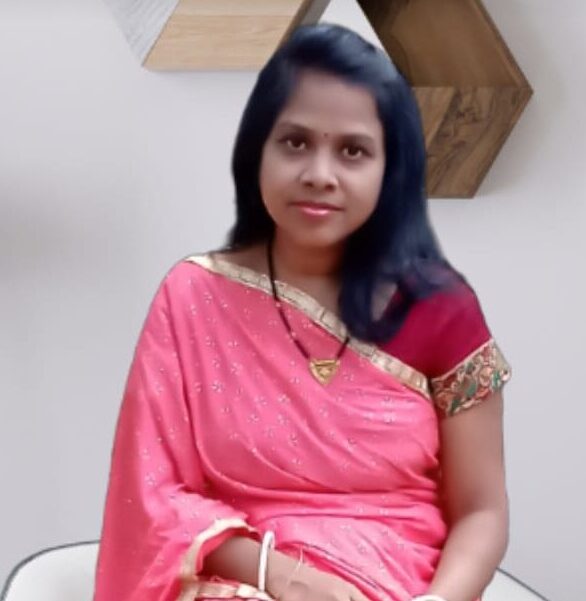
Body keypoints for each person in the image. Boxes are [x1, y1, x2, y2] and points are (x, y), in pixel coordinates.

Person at [93, 23, 511, 601]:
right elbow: (153, 495)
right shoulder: (193, 297)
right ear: (256, 152)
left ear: (390, 168)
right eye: (294, 143)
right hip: (240, 582)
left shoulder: (441, 310)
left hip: (401, 587)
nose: (319, 174)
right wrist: (283, 577)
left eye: (353, 151)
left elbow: (482, 512)